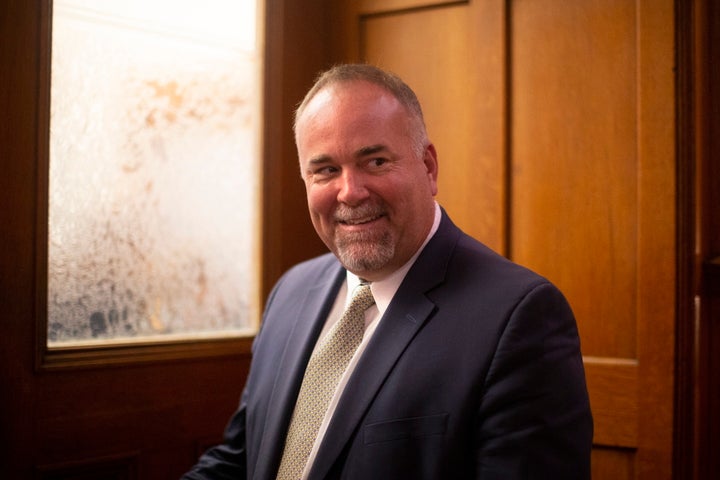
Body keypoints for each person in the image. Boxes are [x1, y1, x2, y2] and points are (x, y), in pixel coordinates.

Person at [182, 64, 592, 480]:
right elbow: (239, 460)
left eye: (375, 161)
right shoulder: (291, 291)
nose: (350, 191)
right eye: (325, 170)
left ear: (428, 167)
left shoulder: (520, 317)